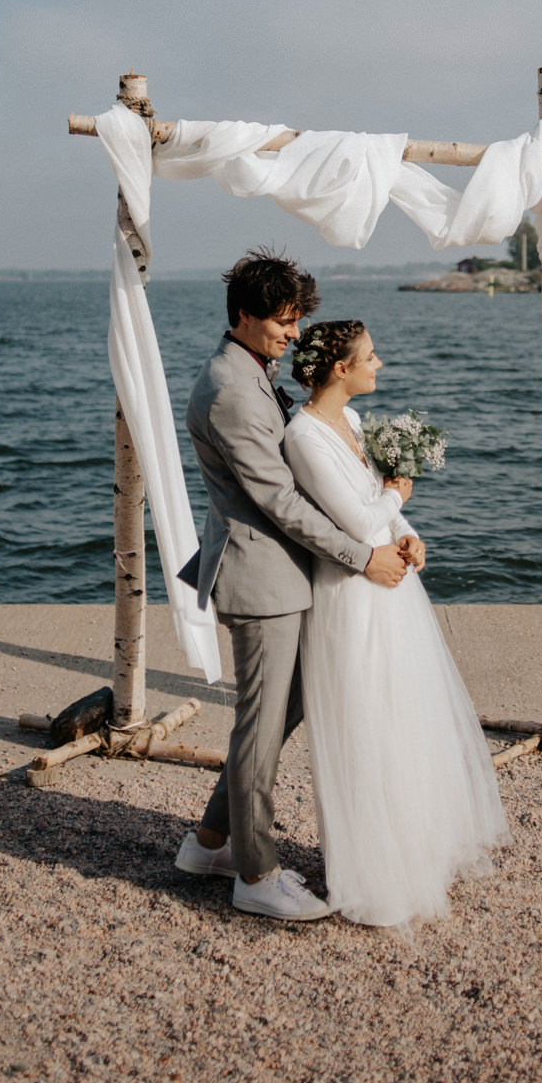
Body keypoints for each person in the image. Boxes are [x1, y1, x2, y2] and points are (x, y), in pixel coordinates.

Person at [171, 250, 412, 921]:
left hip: (284, 576)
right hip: (260, 579)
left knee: (279, 716)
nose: (295, 333)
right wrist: (363, 558)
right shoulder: (228, 390)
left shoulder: (253, 371)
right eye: (282, 320)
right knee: (261, 725)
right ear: (243, 315)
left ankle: (211, 842)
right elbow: (280, 501)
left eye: (297, 320)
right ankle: (257, 874)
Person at [282, 319, 508, 927]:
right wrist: (398, 502)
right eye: (371, 357)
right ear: (339, 370)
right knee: (365, 722)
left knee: (405, 716)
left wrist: (408, 535)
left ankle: (414, 852)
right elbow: (356, 521)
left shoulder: (352, 423)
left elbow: (378, 509)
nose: (379, 364)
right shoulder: (303, 437)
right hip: (351, 595)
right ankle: (369, 873)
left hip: (392, 586)